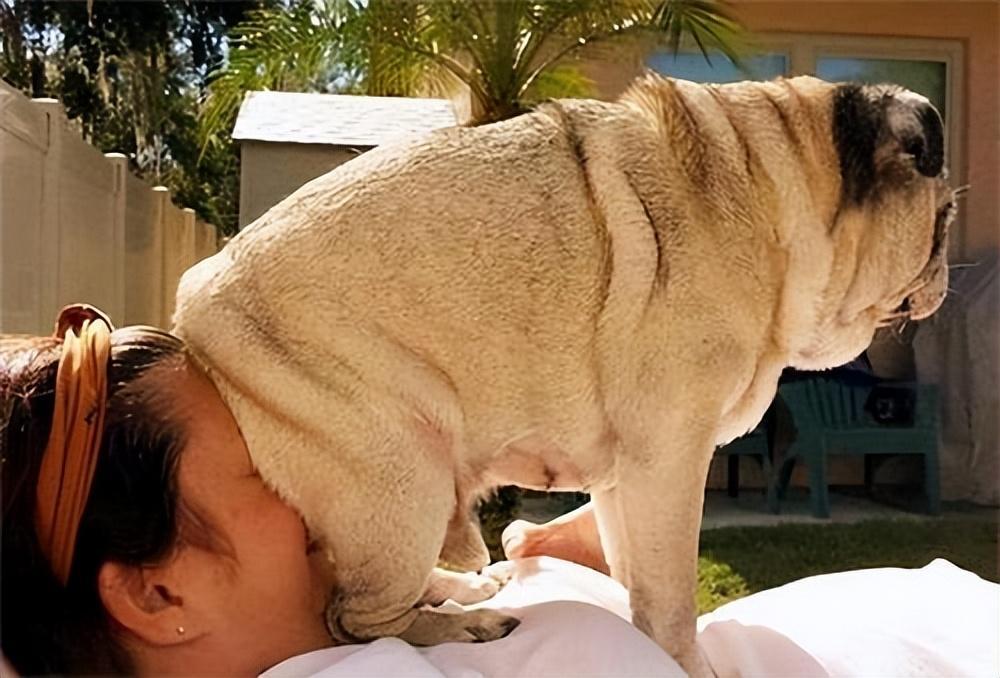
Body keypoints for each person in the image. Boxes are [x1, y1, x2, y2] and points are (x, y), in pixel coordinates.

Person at [3, 306, 997, 677]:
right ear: (156, 593)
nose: (334, 469)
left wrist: (581, 570)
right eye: (272, 463)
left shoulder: (347, 623)